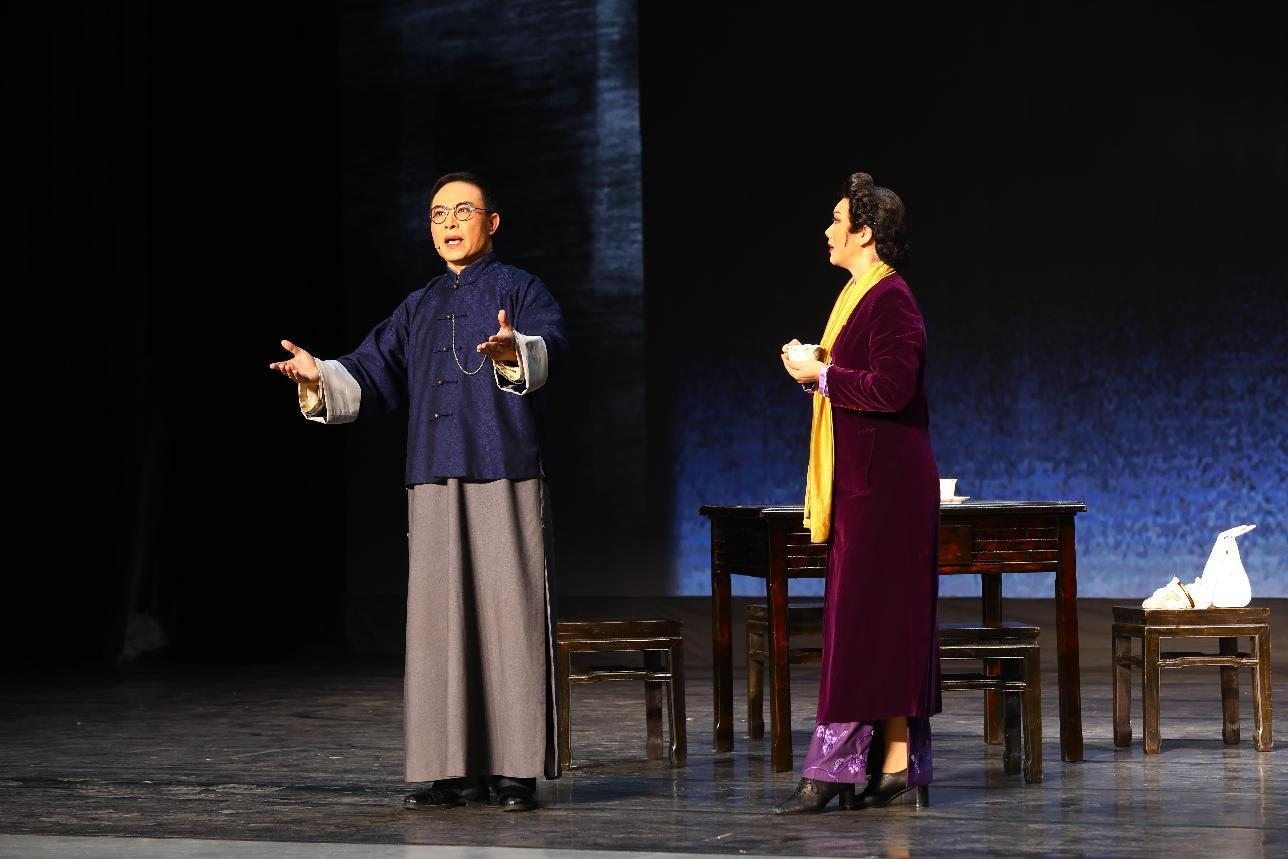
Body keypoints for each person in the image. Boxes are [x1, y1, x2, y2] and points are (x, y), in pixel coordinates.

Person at [268, 171, 568, 812]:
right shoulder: (419, 305)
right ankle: (452, 772)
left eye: (464, 211)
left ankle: (513, 771)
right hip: (431, 471)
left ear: (493, 223)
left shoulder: (521, 288)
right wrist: (317, 374)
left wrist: (515, 349)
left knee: (509, 617)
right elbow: (370, 370)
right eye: (438, 214)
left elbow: (551, 348)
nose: (449, 223)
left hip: (503, 466)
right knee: (439, 623)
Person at [774, 172, 940, 813]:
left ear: (865, 233)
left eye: (837, 220)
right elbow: (858, 377)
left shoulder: (891, 298)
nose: (827, 230)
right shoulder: (857, 295)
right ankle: (896, 767)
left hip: (887, 489)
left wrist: (823, 374)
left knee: (863, 624)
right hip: (867, 484)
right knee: (880, 623)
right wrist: (819, 368)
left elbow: (893, 388)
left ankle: (834, 768)